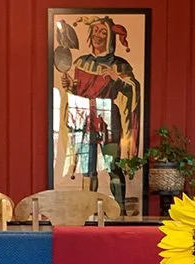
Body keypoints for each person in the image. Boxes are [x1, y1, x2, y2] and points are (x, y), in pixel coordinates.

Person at [59, 17, 141, 196]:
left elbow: (133, 88)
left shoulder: (119, 65)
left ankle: (119, 208)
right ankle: (87, 207)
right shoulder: (81, 62)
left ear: (110, 37)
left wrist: (116, 78)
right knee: (87, 169)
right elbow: (77, 90)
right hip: (84, 119)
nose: (98, 35)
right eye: (95, 31)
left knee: (113, 166)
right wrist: (69, 86)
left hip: (108, 119)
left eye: (103, 32)